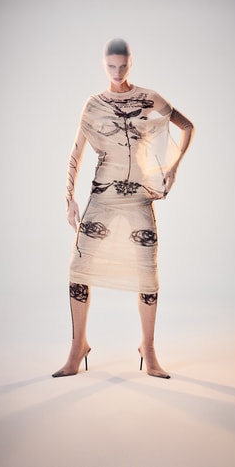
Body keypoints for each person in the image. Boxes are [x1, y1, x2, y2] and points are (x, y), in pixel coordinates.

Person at [52, 38, 194, 379]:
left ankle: (149, 349)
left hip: (139, 195)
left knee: (147, 271)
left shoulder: (148, 98)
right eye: (111, 66)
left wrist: (172, 168)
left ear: (131, 63)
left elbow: (187, 126)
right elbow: (76, 153)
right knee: (79, 268)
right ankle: (77, 347)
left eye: (123, 66)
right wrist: (69, 199)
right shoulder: (94, 104)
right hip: (103, 194)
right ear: (103, 64)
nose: (117, 72)